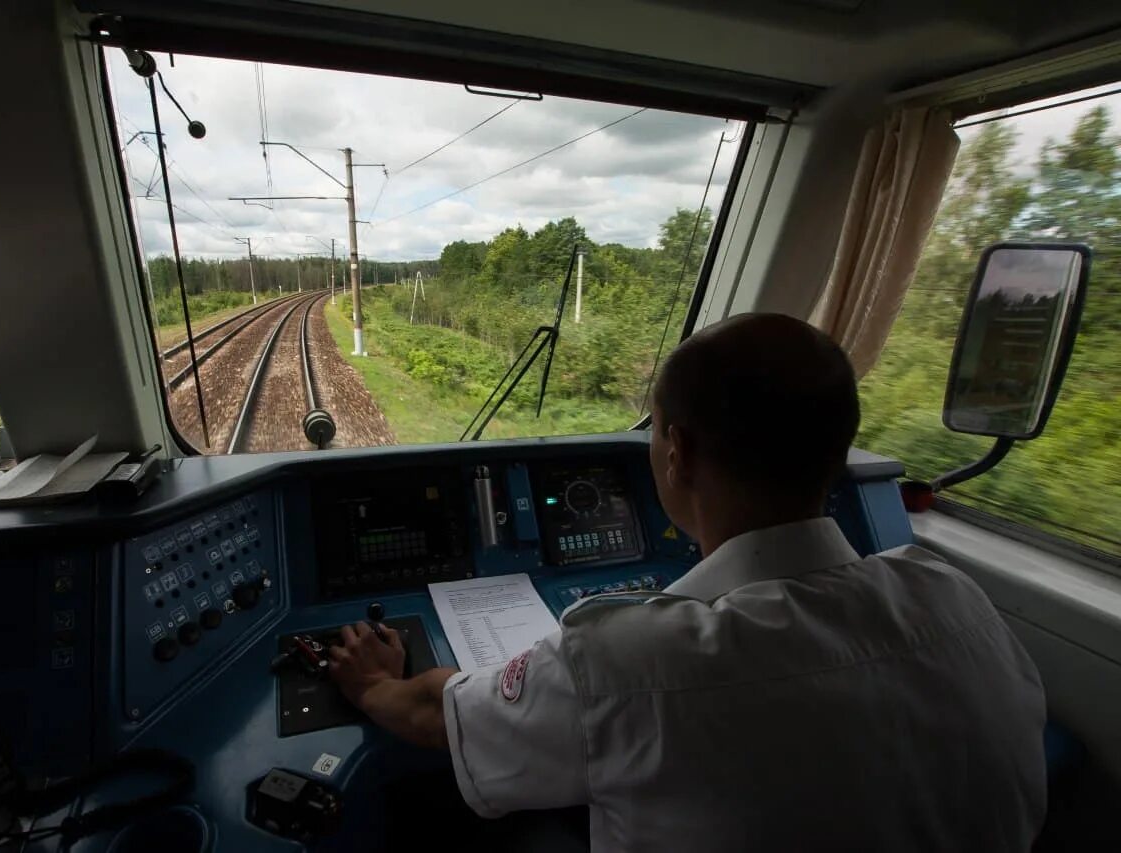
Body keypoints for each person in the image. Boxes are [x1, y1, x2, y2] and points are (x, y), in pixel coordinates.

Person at [329, 313, 1046, 852]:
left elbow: (438, 719)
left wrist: (374, 683)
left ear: (678, 453)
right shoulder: (958, 600)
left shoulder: (628, 660)